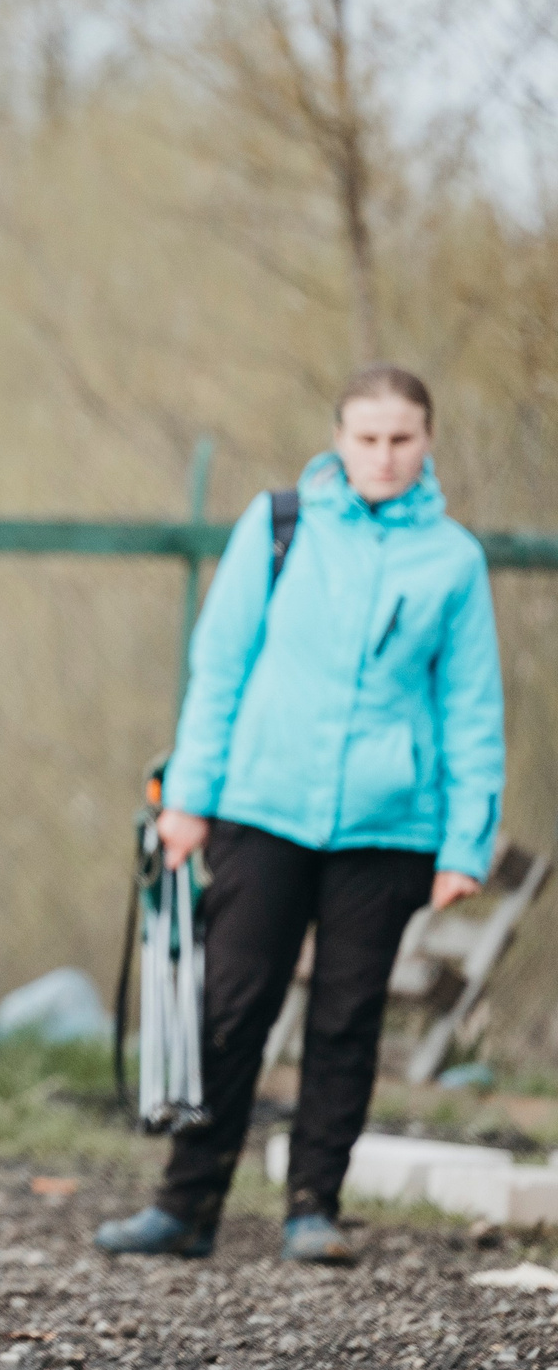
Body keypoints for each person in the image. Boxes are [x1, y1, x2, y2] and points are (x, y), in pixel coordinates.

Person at [96, 366, 504, 1266]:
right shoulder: (279, 526)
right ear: (339, 439)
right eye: (367, 438)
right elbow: (223, 665)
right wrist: (191, 800)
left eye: (402, 439)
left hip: (389, 828)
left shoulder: (455, 561)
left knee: (347, 1019)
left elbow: (471, 708)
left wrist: (465, 841)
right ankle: (186, 1205)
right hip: (260, 806)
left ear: (427, 441)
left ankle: (313, 1209)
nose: (384, 456)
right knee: (231, 1009)